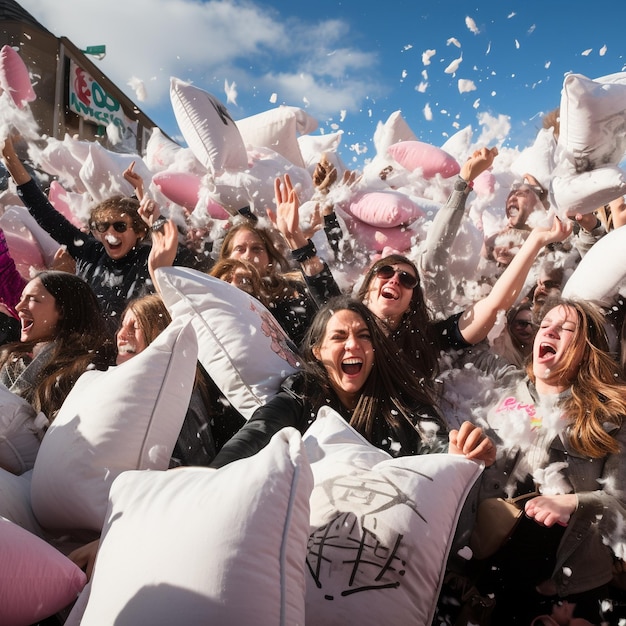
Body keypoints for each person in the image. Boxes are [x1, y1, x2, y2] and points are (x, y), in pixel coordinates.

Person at [462, 298, 626, 624]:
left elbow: (621, 503)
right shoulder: (503, 387)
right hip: (491, 575)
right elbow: (463, 339)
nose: (548, 330)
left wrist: (572, 503)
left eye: (565, 329)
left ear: (586, 351)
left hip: (568, 590)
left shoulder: (613, 416)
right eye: (545, 324)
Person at [210, 295, 496, 469]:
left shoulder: (399, 399)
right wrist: (208, 479)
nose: (352, 345)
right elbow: (255, 435)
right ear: (317, 352)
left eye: (363, 335)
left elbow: (432, 446)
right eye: (338, 337)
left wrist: (458, 454)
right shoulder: (301, 396)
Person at [0, 135, 196, 329]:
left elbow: (174, 249)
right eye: (103, 227)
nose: (110, 233)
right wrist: (10, 159)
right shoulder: (90, 252)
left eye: (119, 226)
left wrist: (151, 215)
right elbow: (46, 214)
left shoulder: (148, 259)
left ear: (138, 231)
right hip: (81, 350)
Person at [0, 271, 115, 422]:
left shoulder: (85, 370)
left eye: (32, 299)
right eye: (21, 299)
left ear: (62, 309)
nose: (18, 307)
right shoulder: (11, 357)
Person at [490, 301, 535, 367]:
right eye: (522, 323)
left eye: (533, 325)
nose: (529, 329)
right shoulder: (499, 350)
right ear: (509, 324)